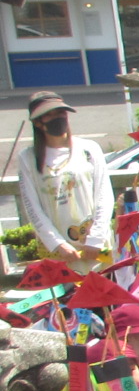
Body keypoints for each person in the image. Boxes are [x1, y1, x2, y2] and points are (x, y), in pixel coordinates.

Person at [15, 91, 114, 271]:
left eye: (61, 113)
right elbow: (33, 208)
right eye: (50, 115)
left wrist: (96, 238)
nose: (58, 118)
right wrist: (58, 244)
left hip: (96, 247)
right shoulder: (28, 158)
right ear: (37, 122)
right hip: (59, 253)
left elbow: (104, 195)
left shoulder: (89, 149)